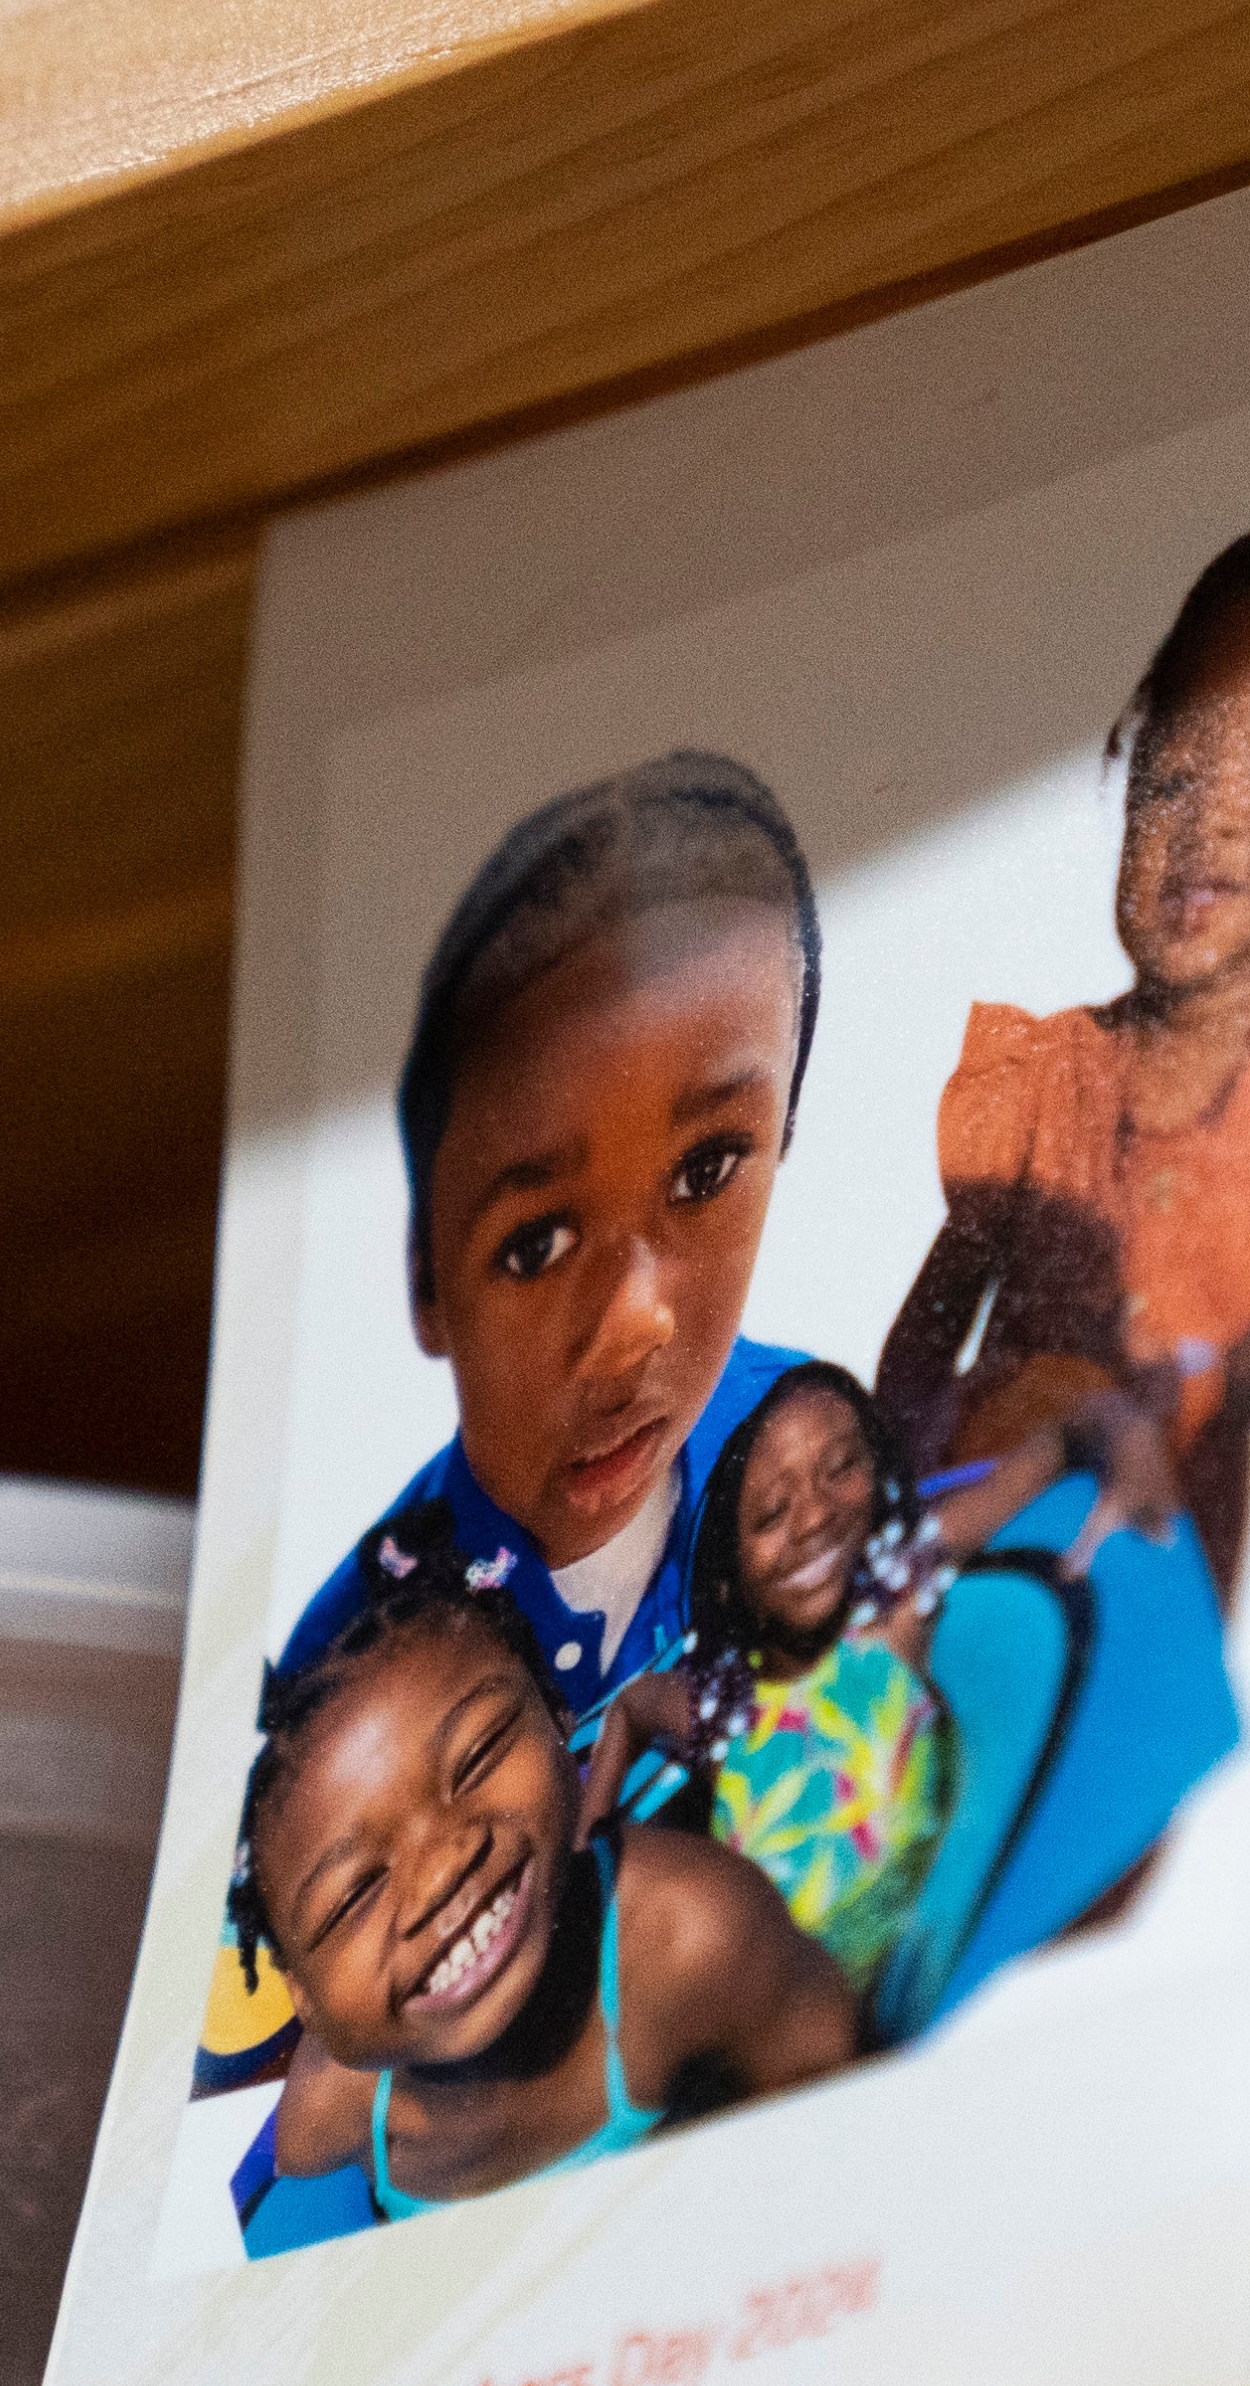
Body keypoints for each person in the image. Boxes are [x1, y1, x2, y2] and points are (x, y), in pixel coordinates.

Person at [878, 529, 1250, 1604]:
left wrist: (1183, 1386)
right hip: (966, 1538)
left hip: (1153, 1557)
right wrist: (884, 1492)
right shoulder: (1043, 1075)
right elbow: (931, 1323)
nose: (1207, 814)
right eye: (1167, 777)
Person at [282, 749, 827, 1720]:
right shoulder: (355, 1681)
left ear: (783, 1133)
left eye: (706, 1173)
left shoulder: (814, 1442)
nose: (633, 1323)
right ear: (426, 1283)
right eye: (535, 1244)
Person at [225, 1518, 856, 2248]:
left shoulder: (694, 1936)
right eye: (355, 1893)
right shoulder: (329, 2117)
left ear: (558, 1717)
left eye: (479, 1754)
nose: (441, 1872)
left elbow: (843, 2150)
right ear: (304, 1995)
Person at [578, 1361, 1178, 2018]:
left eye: (839, 1469)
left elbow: (1066, 1437)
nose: (812, 1518)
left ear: (878, 1475)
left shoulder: (893, 1603)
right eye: (771, 1514)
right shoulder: (725, 1707)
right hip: (738, 2012)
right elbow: (632, 1709)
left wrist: (1126, 1435)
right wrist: (588, 1842)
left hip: (850, 2011)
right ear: (732, 1576)